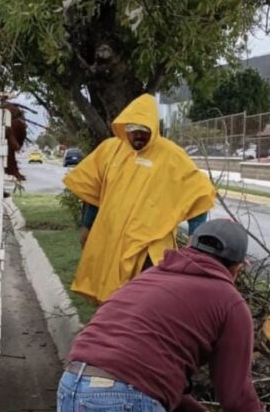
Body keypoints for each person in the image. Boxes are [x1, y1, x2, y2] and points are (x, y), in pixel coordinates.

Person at [58, 217, 270, 412]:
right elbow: (236, 397)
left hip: (70, 389)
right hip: (121, 403)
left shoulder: (151, 276)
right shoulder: (230, 302)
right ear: (238, 269)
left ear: (189, 246)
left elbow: (137, 367)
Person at [62, 94, 214, 304]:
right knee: (110, 297)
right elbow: (93, 192)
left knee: (146, 302)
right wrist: (87, 226)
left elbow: (199, 194)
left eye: (145, 129)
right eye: (133, 129)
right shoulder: (111, 150)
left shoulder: (172, 156)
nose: (139, 135)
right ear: (125, 127)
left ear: (154, 127)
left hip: (149, 248)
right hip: (112, 240)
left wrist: (194, 239)